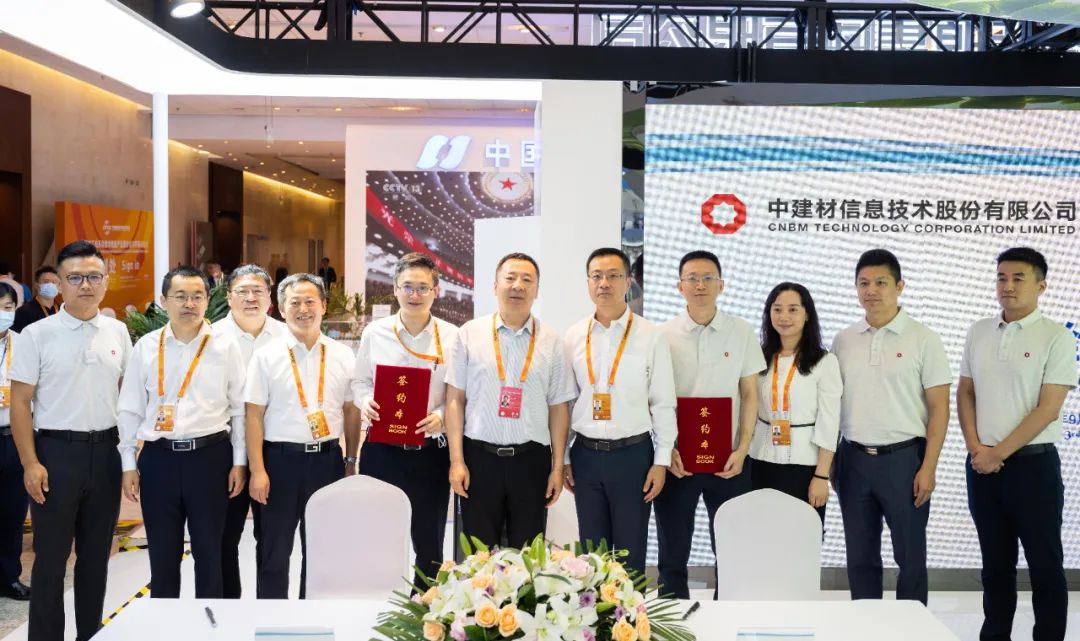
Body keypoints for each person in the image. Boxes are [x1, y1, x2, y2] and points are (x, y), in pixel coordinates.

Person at [9, 240, 132, 641]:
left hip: (106, 454)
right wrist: (30, 463)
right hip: (55, 455)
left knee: (96, 558)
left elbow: (127, 395)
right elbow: (20, 403)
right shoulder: (36, 335)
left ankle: (90, 635)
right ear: (59, 283)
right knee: (50, 559)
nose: (86, 285)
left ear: (106, 281)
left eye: (94, 276)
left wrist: (130, 456)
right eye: (75, 278)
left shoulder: (118, 331)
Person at [959, 247, 1075, 641]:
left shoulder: (1056, 336)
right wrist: (977, 449)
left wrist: (997, 453)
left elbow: (1048, 409)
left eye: (1018, 278)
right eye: (1001, 278)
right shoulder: (978, 331)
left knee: (1045, 565)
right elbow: (966, 392)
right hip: (982, 466)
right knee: (995, 566)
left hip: (1033, 468)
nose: (1007, 286)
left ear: (1041, 286)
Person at [117, 266, 246, 599]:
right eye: (180, 296)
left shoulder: (225, 346)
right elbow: (129, 408)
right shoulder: (147, 347)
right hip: (159, 460)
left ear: (207, 300)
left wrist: (239, 462)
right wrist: (129, 464)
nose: (189, 303)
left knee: (210, 554)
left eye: (197, 296)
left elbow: (239, 408)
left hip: (211, 459)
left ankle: (209, 623)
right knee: (162, 557)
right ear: (164, 301)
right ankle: (166, 623)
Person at [832, 248, 951, 605]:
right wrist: (832, 460)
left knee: (910, 557)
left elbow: (939, 409)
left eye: (881, 282)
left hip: (904, 461)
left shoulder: (924, 338)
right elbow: (832, 403)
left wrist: (928, 467)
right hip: (853, 459)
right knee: (860, 557)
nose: (871, 290)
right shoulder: (843, 340)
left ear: (899, 286)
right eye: (863, 283)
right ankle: (866, 625)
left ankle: (910, 627)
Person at [445, 252, 574, 549]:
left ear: (537, 290)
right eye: (510, 278)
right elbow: (455, 399)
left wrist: (557, 467)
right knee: (478, 555)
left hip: (531, 462)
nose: (518, 285)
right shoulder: (469, 334)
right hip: (479, 459)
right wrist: (456, 461)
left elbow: (558, 407)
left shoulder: (552, 341)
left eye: (527, 280)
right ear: (495, 285)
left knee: (528, 556)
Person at [655, 250, 763, 599]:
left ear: (721, 284)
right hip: (678, 461)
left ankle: (729, 616)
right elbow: (655, 398)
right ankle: (673, 616)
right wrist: (667, 449)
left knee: (732, 548)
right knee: (672, 549)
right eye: (692, 278)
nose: (700, 285)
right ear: (679, 286)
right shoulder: (662, 335)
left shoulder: (741, 331)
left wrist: (743, 449)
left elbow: (750, 394)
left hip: (729, 461)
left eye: (707, 278)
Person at [244, 273, 360, 599]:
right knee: (273, 551)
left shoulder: (343, 355)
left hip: (327, 462)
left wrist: (351, 460)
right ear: (282, 309)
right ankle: (273, 618)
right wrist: (258, 470)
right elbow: (253, 416)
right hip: (278, 464)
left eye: (310, 301)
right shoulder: (265, 356)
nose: (303, 309)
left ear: (323, 306)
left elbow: (351, 410)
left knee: (323, 551)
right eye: (294, 302)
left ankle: (316, 616)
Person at [563, 247, 675, 576]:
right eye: (597, 276)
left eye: (613, 276)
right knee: (591, 555)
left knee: (631, 552)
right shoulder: (574, 336)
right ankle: (594, 611)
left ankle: (631, 611)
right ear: (588, 282)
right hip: (585, 455)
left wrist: (661, 461)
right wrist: (565, 457)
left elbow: (663, 402)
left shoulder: (651, 336)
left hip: (633, 456)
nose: (604, 283)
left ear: (628, 282)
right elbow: (567, 403)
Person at [352, 253, 459, 586]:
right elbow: (360, 382)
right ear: (395, 289)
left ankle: (426, 609)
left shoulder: (452, 337)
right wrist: (365, 401)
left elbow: (460, 393)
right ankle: (379, 603)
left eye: (422, 287)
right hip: (383, 450)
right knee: (379, 536)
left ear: (436, 291)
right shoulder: (375, 332)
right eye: (408, 287)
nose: (415, 294)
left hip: (430, 453)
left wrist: (441, 416)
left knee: (429, 542)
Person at [212, 264, 289, 599]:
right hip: (223, 452)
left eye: (258, 291)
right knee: (224, 537)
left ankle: (266, 608)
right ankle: (230, 609)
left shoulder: (287, 336)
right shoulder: (210, 337)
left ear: (270, 298)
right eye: (242, 291)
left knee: (270, 538)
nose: (250, 298)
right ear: (228, 297)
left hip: (274, 452)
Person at [749, 282, 841, 524]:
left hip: (805, 463)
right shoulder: (758, 357)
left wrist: (821, 476)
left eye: (792, 309)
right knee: (762, 532)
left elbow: (830, 421)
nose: (784, 317)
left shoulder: (824, 362)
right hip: (760, 459)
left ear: (807, 313)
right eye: (777, 309)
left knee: (801, 535)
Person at [0, 282, 30, 601]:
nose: (2, 313)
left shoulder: (24, 344)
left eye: (7, 308)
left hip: (14, 436)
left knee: (13, 512)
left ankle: (9, 577)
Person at [12, 266, 61, 333]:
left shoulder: (62, 310)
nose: (51, 285)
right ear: (36, 285)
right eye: (46, 282)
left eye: (54, 282)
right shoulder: (23, 312)